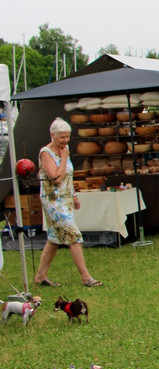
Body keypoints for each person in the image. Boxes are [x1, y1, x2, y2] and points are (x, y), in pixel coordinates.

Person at [33, 118, 102, 288]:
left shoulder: (66, 149)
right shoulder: (46, 153)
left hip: (66, 198)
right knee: (74, 235)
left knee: (54, 237)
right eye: (61, 137)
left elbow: (69, 176)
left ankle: (40, 276)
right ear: (52, 135)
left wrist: (74, 195)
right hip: (53, 199)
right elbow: (56, 178)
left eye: (67, 137)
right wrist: (64, 157)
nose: (65, 141)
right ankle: (86, 277)